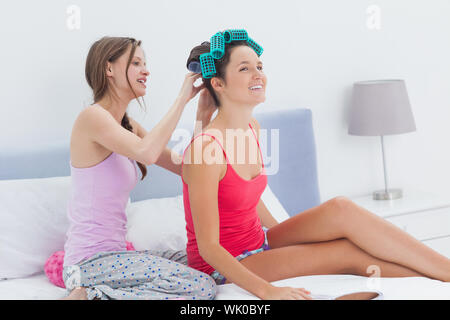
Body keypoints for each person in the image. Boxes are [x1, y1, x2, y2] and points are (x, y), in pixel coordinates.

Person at [180, 30, 450, 300]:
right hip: (226, 264)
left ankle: (446, 271)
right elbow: (209, 247)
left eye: (259, 66)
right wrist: (268, 290)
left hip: (259, 241)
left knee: (340, 208)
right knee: (347, 252)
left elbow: (243, 197)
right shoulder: (206, 149)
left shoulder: (252, 127)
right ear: (218, 84)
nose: (258, 74)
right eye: (244, 68)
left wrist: (286, 236)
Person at [62, 36, 217, 300]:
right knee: (201, 286)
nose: (146, 70)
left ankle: (102, 293)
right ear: (109, 69)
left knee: (205, 262)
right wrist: (182, 98)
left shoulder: (127, 125)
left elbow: (189, 169)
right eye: (136, 63)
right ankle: (92, 295)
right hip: (88, 263)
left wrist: (202, 117)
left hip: (117, 258)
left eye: (145, 63)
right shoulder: (92, 118)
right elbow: (147, 151)